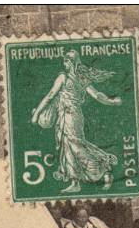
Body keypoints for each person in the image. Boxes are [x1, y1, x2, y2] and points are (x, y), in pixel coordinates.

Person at [30, 49, 121, 192]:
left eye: (66, 61)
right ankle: (75, 183)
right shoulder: (81, 79)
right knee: (69, 145)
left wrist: (37, 114)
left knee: (74, 144)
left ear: (70, 62)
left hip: (69, 115)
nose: (64, 64)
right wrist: (111, 101)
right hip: (74, 115)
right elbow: (97, 95)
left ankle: (104, 165)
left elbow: (50, 96)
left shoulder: (63, 78)